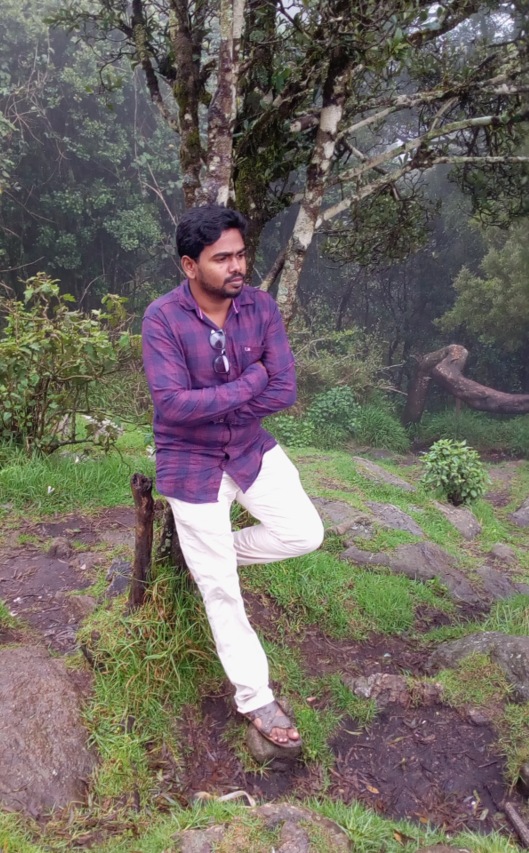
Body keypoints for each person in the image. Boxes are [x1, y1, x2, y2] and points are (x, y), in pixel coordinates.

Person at [142, 205, 324, 749]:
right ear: (189, 265)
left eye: (241, 254)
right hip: (189, 461)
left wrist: (223, 401)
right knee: (222, 591)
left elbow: (284, 390)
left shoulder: (260, 308)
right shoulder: (162, 318)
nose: (237, 266)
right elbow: (173, 406)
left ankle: (206, 557)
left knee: (304, 533)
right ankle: (255, 697)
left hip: (248, 446)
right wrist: (250, 383)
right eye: (222, 258)